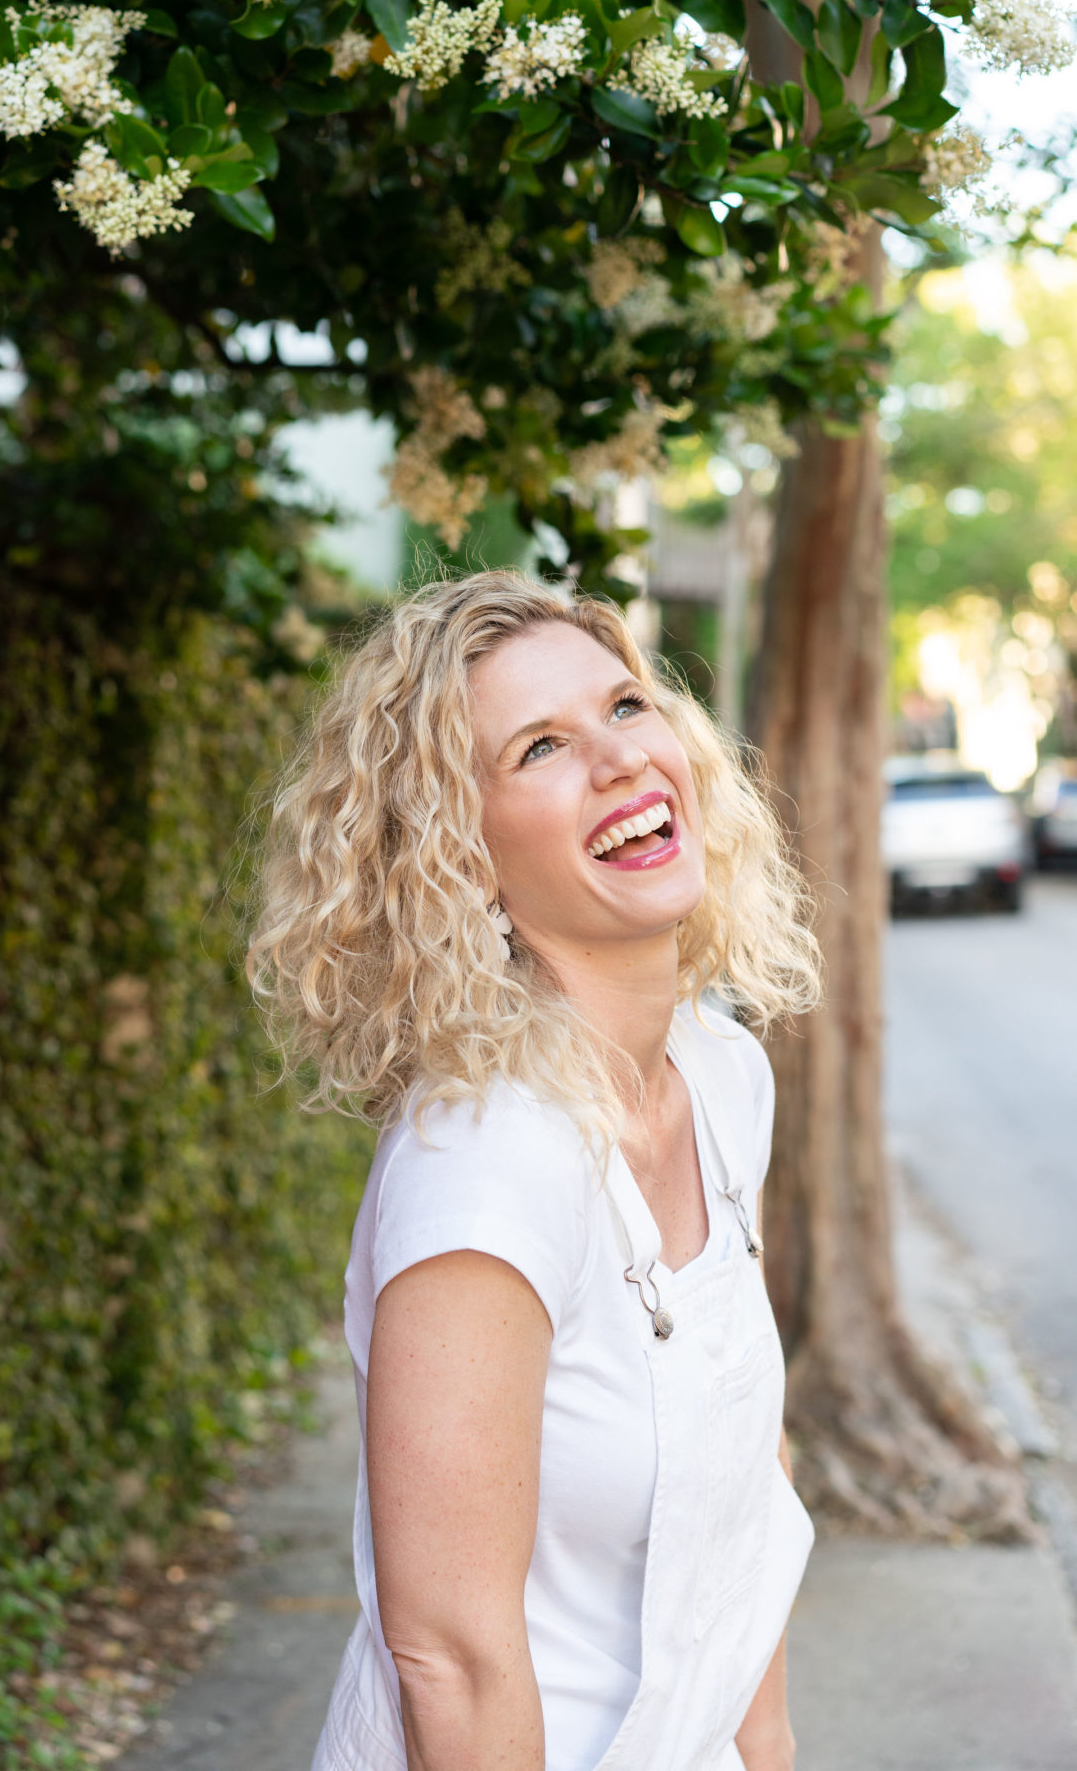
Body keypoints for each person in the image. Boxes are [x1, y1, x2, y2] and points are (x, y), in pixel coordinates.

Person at [247, 570, 823, 1771]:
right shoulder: (485, 1164)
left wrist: (764, 1751)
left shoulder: (720, 1075)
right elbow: (448, 1656)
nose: (620, 761)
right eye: (541, 748)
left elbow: (744, 1484)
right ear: (460, 859)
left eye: (623, 707)